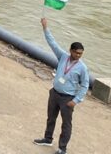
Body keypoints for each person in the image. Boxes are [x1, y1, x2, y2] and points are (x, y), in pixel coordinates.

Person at [33, 18, 89, 154]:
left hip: (67, 99)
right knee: (51, 117)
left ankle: (62, 148)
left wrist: (75, 101)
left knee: (66, 124)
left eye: (80, 53)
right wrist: (45, 28)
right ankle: (47, 138)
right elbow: (52, 43)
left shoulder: (82, 68)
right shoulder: (63, 56)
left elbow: (85, 85)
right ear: (71, 50)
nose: (78, 55)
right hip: (55, 93)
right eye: (76, 52)